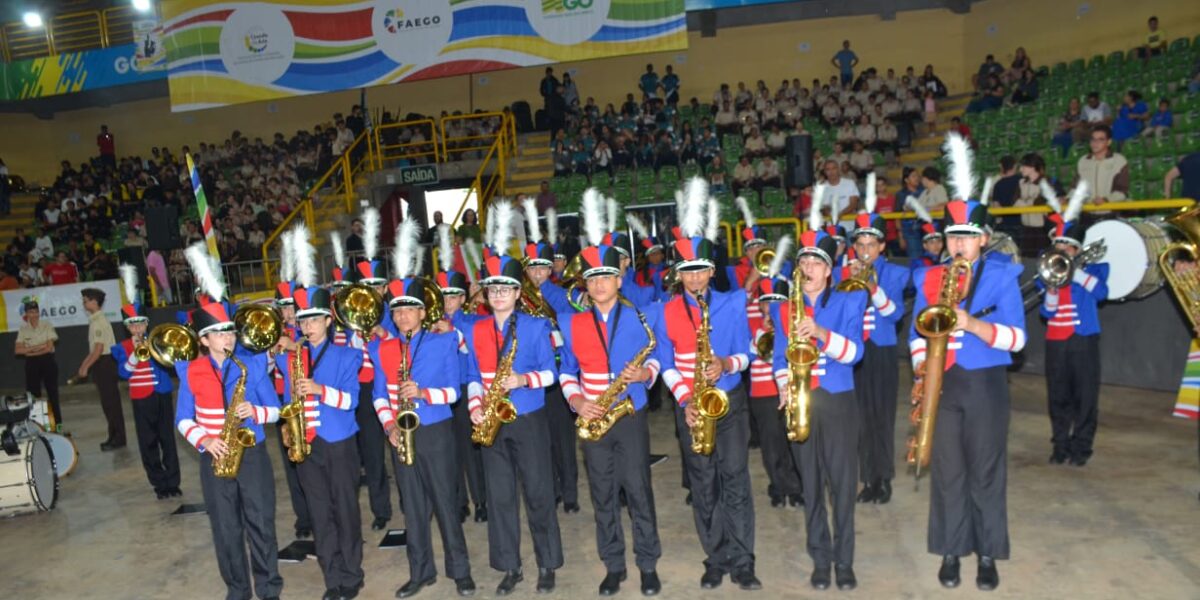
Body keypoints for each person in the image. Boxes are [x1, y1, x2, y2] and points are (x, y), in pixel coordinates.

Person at [909, 150, 1026, 590]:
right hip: (943, 385)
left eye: (967, 236)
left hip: (985, 386)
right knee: (948, 472)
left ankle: (988, 555)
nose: (958, 244)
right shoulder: (928, 279)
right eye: (953, 236)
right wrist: (924, 370)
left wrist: (973, 324)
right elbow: (915, 335)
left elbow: (1018, 340)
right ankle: (951, 552)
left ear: (983, 240)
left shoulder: (1002, 276)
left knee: (986, 472)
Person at [651, 184, 757, 590]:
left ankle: (743, 559)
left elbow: (748, 352)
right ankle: (715, 557)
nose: (694, 277)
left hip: (730, 399)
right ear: (677, 275)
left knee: (735, 479)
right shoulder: (666, 310)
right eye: (687, 271)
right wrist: (684, 402)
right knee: (703, 483)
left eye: (700, 269)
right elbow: (664, 361)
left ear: (712, 271)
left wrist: (726, 363)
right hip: (691, 405)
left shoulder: (731, 303)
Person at [558, 234, 664, 596]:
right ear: (585, 285)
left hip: (630, 413)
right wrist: (577, 401)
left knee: (638, 490)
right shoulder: (570, 322)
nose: (599, 284)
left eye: (606, 277)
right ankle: (614, 565)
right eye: (592, 279)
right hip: (594, 415)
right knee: (602, 493)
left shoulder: (642, 314)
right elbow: (566, 372)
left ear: (619, 279)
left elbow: (659, 351)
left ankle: (648, 563)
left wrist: (647, 372)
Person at [463, 217, 563, 595]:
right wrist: (476, 405)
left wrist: (523, 380)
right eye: (493, 290)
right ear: (486, 295)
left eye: (506, 289)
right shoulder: (476, 330)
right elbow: (472, 374)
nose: (499, 294)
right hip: (491, 419)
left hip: (528, 418)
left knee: (538, 492)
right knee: (500, 496)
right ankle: (510, 566)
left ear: (518, 293)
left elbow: (553, 373)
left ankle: (547, 563)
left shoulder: (536, 327)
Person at [773, 200, 867, 591]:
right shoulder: (784, 308)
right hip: (801, 401)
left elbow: (856, 352)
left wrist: (821, 334)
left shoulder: (849, 299)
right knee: (811, 486)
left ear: (829, 270)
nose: (808, 269)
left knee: (843, 486)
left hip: (839, 400)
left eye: (815, 263)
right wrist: (782, 384)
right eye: (803, 263)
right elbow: (779, 355)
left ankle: (844, 561)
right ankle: (820, 558)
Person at [370, 274, 475, 597]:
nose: (402, 316)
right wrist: (389, 427)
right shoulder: (381, 348)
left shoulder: (442, 342)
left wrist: (424, 393)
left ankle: (461, 572)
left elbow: (453, 393)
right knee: (413, 509)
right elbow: (378, 395)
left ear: (422, 312)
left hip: (435, 432)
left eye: (409, 310)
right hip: (400, 435)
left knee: (445, 503)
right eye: (397, 310)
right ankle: (421, 572)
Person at [175, 290, 284, 600]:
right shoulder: (191, 370)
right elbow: (183, 419)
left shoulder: (252, 364)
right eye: (219, 333)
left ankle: (268, 587)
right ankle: (237, 588)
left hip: (252, 453)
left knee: (261, 521)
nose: (228, 337)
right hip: (214, 456)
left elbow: (276, 410)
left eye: (230, 331)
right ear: (204, 340)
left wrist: (256, 411)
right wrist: (205, 440)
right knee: (225, 528)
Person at [276, 281, 366, 600]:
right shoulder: (290, 359)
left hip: (338, 442)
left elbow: (351, 401)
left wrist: (318, 390)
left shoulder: (347, 355)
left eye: (314, 320)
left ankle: (352, 574)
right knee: (319, 514)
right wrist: (289, 431)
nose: (308, 326)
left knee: (344, 510)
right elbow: (287, 401)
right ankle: (332, 577)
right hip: (306, 445)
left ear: (329, 321)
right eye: (303, 321)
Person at [838, 177, 909, 504]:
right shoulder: (844, 272)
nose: (865, 250)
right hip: (855, 352)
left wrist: (872, 287)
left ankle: (884, 479)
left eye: (871, 244)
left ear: (882, 246)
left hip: (880, 351)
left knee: (881, 417)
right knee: (859, 419)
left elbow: (894, 315)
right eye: (860, 244)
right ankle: (867, 478)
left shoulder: (895, 274)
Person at [1038, 185, 1108, 467]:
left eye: (1068, 246)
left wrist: (1077, 274)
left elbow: (1102, 293)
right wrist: (1053, 290)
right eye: (1059, 245)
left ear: (1077, 249)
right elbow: (1046, 312)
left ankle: (1082, 448)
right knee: (1058, 396)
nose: (1062, 250)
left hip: (1084, 339)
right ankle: (1060, 446)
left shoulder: (1093, 269)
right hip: (1056, 340)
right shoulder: (1049, 273)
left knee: (1086, 396)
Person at [520, 200, 580, 515]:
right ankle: (553, 488)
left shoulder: (562, 295)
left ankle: (570, 492)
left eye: (542, 267)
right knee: (540, 440)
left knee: (563, 438)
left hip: (557, 372)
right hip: (531, 376)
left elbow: (571, 334)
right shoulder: (518, 298)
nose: (538, 273)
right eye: (532, 268)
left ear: (549, 268)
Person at [113, 266, 182, 499]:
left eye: (140, 324)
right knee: (148, 442)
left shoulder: (157, 341)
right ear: (128, 328)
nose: (137, 329)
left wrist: (153, 349)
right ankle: (159, 484)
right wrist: (135, 353)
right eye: (133, 325)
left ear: (146, 324)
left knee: (167, 439)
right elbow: (123, 374)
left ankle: (173, 482)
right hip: (141, 397)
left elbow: (169, 365)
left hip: (162, 393)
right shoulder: (122, 348)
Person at [79, 287, 126, 450]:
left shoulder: (99, 321)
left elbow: (98, 349)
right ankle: (113, 435)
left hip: (105, 363)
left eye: (86, 300)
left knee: (111, 403)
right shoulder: (95, 320)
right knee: (108, 403)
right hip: (102, 363)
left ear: (94, 301)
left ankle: (118, 438)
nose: (84, 303)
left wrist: (85, 366)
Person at [14, 300, 62, 426]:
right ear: (26, 314)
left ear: (39, 312)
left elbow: (49, 348)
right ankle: (37, 425)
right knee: (33, 396)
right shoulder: (23, 329)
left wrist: (29, 351)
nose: (34, 315)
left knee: (53, 394)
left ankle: (58, 425)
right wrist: (38, 347)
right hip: (31, 364)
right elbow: (18, 350)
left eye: (36, 312)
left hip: (48, 361)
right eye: (31, 312)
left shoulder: (47, 325)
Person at [1076, 125, 1130, 207]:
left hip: (1111, 212)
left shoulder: (1119, 160)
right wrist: (1067, 199)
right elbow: (1075, 188)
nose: (1095, 143)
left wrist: (1106, 200)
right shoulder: (1082, 161)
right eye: (1093, 139)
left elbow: (1122, 190)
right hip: (1087, 212)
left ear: (1109, 142)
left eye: (1100, 139)